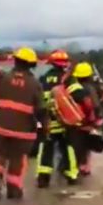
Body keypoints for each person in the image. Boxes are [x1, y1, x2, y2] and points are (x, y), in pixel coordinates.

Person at [0, 47, 48, 200]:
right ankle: (14, 189)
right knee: (17, 158)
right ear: (32, 64)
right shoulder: (34, 84)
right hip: (23, 130)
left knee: (0, 153)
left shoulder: (4, 78)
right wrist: (43, 128)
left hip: (1, 126)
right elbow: (41, 110)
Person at [36, 49, 78, 187]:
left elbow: (39, 100)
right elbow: (77, 97)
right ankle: (71, 175)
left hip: (48, 120)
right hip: (64, 121)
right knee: (68, 147)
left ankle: (43, 177)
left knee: (45, 147)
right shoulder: (68, 79)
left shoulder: (43, 78)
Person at [65, 62, 102, 177]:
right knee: (88, 144)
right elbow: (95, 105)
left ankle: (76, 166)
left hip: (74, 121)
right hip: (88, 121)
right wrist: (97, 119)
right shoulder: (90, 88)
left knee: (75, 145)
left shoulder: (71, 88)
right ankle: (85, 167)